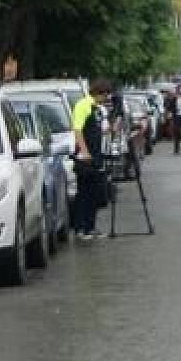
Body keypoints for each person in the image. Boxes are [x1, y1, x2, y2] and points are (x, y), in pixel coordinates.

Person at [71, 78, 113, 240]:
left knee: (95, 193)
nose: (107, 98)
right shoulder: (83, 105)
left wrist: (109, 129)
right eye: (105, 94)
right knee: (84, 193)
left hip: (96, 156)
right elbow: (78, 129)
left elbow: (97, 131)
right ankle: (81, 229)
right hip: (86, 157)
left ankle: (90, 226)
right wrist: (84, 151)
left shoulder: (97, 108)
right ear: (98, 92)